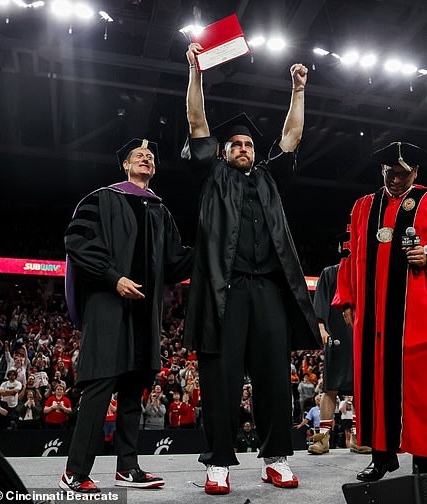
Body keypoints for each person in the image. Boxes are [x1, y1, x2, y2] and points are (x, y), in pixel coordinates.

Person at [182, 43, 320, 495]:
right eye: (235, 145)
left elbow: (292, 137)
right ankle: (218, 462)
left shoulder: (266, 177)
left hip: (268, 291)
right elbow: (197, 121)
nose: (243, 149)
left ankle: (276, 458)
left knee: (274, 378)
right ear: (222, 152)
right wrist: (195, 73)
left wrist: (298, 90)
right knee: (220, 378)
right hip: (225, 291)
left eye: (248, 145)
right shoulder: (212, 174)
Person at [59, 138, 195, 493]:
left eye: (150, 157)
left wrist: (210, 245)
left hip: (144, 313)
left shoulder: (159, 211)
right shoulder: (101, 199)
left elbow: (174, 262)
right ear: (125, 165)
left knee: (134, 391)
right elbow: (76, 242)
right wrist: (112, 277)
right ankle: (74, 472)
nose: (147, 158)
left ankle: (128, 468)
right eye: (139, 155)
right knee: (100, 390)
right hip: (107, 307)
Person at [333, 141, 427, 480]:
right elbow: (347, 253)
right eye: (390, 173)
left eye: (403, 174)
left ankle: (425, 460)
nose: (396, 180)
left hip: (417, 312)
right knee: (374, 384)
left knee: (422, 386)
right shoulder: (362, 207)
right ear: (382, 170)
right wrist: (346, 297)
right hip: (372, 314)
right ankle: (382, 455)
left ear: (416, 172)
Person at [311, 262, 370, 455]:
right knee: (330, 387)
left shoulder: (365, 269)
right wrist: (321, 328)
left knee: (362, 388)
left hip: (361, 334)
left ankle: (358, 437)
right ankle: (323, 439)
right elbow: (319, 303)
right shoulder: (330, 272)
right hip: (336, 334)